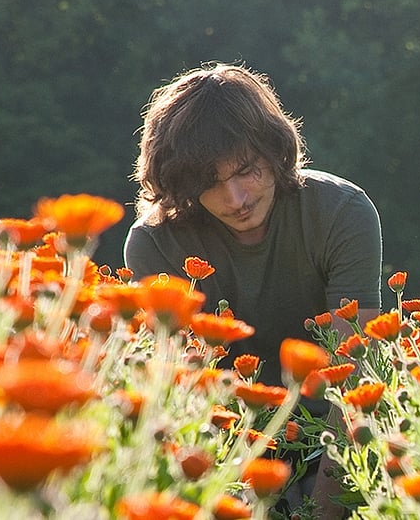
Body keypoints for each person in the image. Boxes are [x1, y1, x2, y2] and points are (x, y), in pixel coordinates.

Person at [123, 62, 383, 519]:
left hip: (337, 445)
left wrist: (321, 512)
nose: (236, 199)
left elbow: (355, 380)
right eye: (210, 184)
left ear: (276, 150)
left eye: (247, 171)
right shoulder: (154, 245)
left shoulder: (340, 211)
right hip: (224, 454)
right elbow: (181, 397)